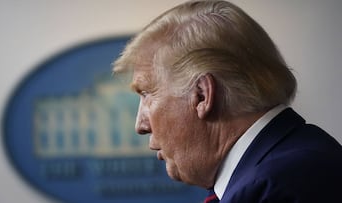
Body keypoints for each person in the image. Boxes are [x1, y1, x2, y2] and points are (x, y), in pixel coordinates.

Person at [112, 0, 342, 202]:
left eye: (146, 94)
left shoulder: (277, 187)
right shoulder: (281, 169)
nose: (140, 125)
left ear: (201, 95)